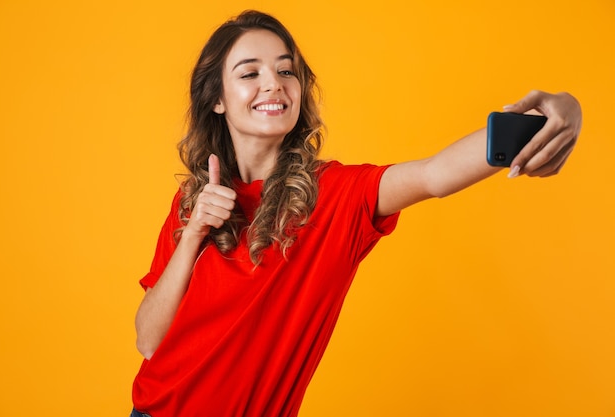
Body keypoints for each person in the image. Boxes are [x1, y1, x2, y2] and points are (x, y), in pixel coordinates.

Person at [130, 10, 582, 417]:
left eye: (286, 70)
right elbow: (149, 341)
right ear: (218, 99)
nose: (274, 83)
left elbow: (434, 175)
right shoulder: (194, 200)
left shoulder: (335, 195)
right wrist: (193, 235)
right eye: (250, 73)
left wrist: (560, 111)